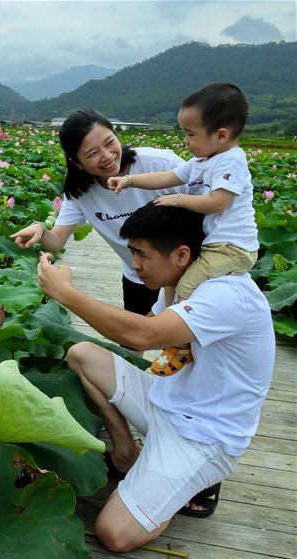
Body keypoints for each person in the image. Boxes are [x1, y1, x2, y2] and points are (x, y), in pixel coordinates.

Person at [36, 203, 274, 551]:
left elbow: (144, 336)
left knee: (114, 533)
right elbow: (143, 327)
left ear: (181, 254)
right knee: (83, 355)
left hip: (202, 438)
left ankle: (183, 489)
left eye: (140, 255)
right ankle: (126, 452)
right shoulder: (188, 281)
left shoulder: (227, 295)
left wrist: (66, 294)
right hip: (164, 402)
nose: (134, 265)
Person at [107, 83, 258, 377]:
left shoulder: (232, 161)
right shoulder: (202, 161)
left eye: (190, 134)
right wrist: (128, 181)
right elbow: (167, 176)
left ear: (221, 135)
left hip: (231, 247)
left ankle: (181, 344)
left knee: (187, 287)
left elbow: (218, 202)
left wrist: (176, 199)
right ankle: (168, 326)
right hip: (212, 243)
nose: (185, 141)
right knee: (174, 283)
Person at [11, 109, 187, 319]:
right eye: (92, 153)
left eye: (110, 142)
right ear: (76, 162)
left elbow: (214, 206)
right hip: (138, 272)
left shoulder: (161, 164)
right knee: (133, 342)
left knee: (186, 341)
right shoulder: (80, 192)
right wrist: (40, 229)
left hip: (186, 267)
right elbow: (56, 241)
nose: (107, 156)